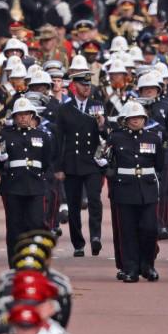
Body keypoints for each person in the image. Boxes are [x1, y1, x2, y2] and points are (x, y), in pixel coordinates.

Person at [98, 100, 164, 283]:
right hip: (124, 189)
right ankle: (130, 268)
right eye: (132, 118)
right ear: (125, 120)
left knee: (150, 229)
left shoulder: (153, 138)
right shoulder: (115, 138)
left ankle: (148, 265)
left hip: (147, 189)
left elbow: (159, 164)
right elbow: (106, 160)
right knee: (127, 232)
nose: (136, 121)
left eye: (140, 118)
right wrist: (105, 166)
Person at [0, 97, 55, 266]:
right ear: (14, 117)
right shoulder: (6, 135)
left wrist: (43, 181)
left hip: (35, 185)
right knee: (14, 226)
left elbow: (47, 162)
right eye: (19, 115)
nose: (23, 118)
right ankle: (15, 263)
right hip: (13, 186)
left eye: (26, 114)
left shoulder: (42, 136)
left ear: (32, 116)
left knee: (36, 223)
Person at [54, 71, 105, 258]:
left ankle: (96, 237)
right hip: (72, 163)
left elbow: (106, 136)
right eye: (83, 85)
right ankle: (78, 243)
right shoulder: (64, 110)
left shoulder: (97, 107)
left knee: (94, 200)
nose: (87, 88)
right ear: (75, 86)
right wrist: (58, 167)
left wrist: (102, 126)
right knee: (74, 206)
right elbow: (59, 140)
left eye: (88, 85)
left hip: (92, 162)